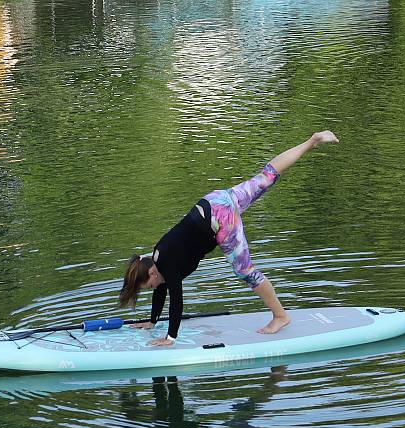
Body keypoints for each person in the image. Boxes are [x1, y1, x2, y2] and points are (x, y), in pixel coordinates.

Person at [119, 130, 340, 346]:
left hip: (220, 221)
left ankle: (281, 316)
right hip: (216, 200)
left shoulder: (165, 263)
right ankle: (312, 140)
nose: (153, 288)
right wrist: (152, 321)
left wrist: (170, 338)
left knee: (245, 272)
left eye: (148, 285)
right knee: (266, 176)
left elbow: (176, 300)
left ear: (151, 272)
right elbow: (162, 289)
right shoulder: (158, 258)